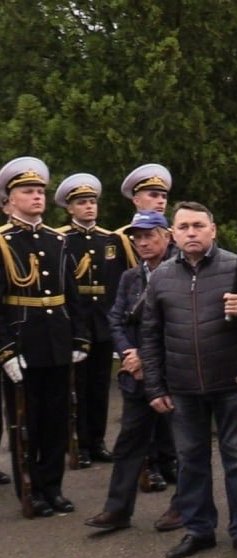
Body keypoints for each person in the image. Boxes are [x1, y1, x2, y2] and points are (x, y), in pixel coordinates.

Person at [140, 201, 237, 558]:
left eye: (198, 225)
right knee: (191, 460)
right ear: (173, 235)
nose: (191, 232)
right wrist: (155, 386)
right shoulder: (162, 277)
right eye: (184, 227)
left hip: (232, 381)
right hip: (182, 388)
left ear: (213, 229)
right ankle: (199, 530)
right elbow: (150, 336)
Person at [0, 157, 89, 517]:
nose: (36, 197)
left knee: (57, 419)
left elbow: (72, 293)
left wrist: (79, 338)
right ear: (8, 200)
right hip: (23, 342)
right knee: (26, 421)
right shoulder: (4, 243)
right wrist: (5, 351)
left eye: (39, 191)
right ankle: (30, 489)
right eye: (27, 191)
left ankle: (52, 486)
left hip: (57, 339)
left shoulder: (57, 240)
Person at [84, 211, 182, 531]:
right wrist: (128, 352)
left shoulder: (180, 273)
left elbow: (180, 325)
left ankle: (182, 507)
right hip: (137, 374)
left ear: (167, 236)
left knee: (183, 444)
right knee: (128, 443)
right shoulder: (130, 277)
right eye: (137, 236)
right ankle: (117, 509)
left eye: (149, 235)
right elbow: (115, 318)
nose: (142, 242)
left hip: (171, 373)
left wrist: (146, 358)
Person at [116, 162, 178, 492]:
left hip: (166, 347)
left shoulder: (176, 248)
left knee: (168, 414)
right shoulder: (118, 243)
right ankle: (149, 464)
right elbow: (117, 307)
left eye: (163, 196)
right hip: (135, 345)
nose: (160, 200)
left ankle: (166, 460)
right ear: (135, 199)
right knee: (138, 420)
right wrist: (127, 350)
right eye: (152, 194)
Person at [55, 173, 118, 467]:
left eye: (92, 202)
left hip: (102, 323)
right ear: (70, 208)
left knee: (99, 385)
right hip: (75, 322)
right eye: (82, 203)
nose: (89, 207)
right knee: (76, 387)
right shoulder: (61, 239)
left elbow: (116, 284)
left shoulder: (110, 239)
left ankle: (97, 441)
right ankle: (77, 443)